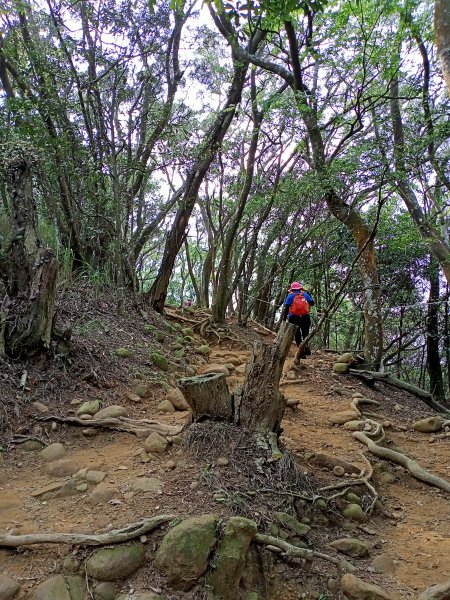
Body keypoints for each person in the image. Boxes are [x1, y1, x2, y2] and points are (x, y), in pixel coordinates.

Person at [283, 282, 314, 356]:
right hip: (305, 316)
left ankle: (301, 352)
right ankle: (306, 347)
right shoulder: (305, 294)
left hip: (293, 317)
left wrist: (284, 319)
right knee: (305, 334)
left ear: (292, 289)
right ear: (300, 288)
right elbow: (312, 303)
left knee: (297, 335)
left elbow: (286, 308)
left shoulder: (290, 296)